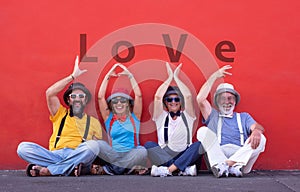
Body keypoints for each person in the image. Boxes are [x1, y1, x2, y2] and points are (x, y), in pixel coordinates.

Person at [17, 56, 102, 177]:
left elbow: (95, 150)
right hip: (55, 154)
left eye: (81, 97)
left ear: (85, 100)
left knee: (93, 146)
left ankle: (49, 170)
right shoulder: (60, 114)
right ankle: (69, 168)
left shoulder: (93, 122)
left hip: (77, 154)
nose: (77, 99)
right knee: (23, 148)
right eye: (74, 97)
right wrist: (72, 76)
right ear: (68, 100)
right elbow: (50, 93)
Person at [196, 65, 266, 178]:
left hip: (241, 158)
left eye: (230, 98)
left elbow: (257, 127)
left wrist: (257, 131)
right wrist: (214, 76)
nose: (227, 101)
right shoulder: (213, 115)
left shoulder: (244, 117)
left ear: (235, 101)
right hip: (218, 154)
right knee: (202, 131)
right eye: (223, 98)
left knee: (261, 138)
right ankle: (226, 166)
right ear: (217, 101)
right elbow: (200, 99)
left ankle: (227, 165)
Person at [144, 62, 203, 177]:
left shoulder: (188, 116)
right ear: (165, 102)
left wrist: (176, 78)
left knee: (199, 145)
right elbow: (157, 97)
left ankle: (168, 170)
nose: (173, 102)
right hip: (165, 155)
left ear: (181, 102)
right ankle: (182, 169)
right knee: (149, 145)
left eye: (176, 99)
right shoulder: (161, 117)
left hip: (185, 154)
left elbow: (188, 96)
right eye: (169, 100)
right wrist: (169, 78)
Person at [93, 63, 147, 175]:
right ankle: (128, 169)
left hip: (131, 153)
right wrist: (108, 75)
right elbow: (100, 97)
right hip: (113, 154)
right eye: (115, 101)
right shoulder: (109, 118)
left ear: (127, 104)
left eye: (123, 100)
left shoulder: (134, 117)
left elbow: (139, 96)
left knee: (142, 151)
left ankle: (110, 170)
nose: (119, 103)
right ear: (111, 105)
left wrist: (130, 76)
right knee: (98, 144)